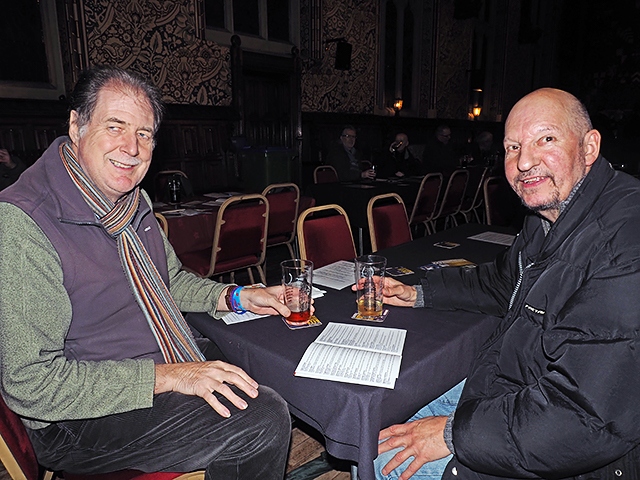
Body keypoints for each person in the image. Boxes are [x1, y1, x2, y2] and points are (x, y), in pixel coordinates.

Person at [0, 66, 292, 478]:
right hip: (76, 420)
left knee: (270, 355)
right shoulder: (24, 223)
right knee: (261, 420)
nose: (132, 148)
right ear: (76, 125)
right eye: (115, 126)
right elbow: (33, 386)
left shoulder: (131, 201)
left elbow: (167, 279)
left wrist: (240, 297)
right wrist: (171, 376)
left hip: (155, 356)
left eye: (144, 134)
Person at [373, 88, 640, 479]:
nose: (525, 161)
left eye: (545, 139)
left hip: (571, 443)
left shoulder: (625, 241)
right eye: (513, 147)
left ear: (589, 146)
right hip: (519, 388)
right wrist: (420, 293)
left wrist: (452, 434)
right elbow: (502, 281)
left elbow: (586, 417)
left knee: (387, 462)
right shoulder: (548, 216)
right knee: (385, 423)